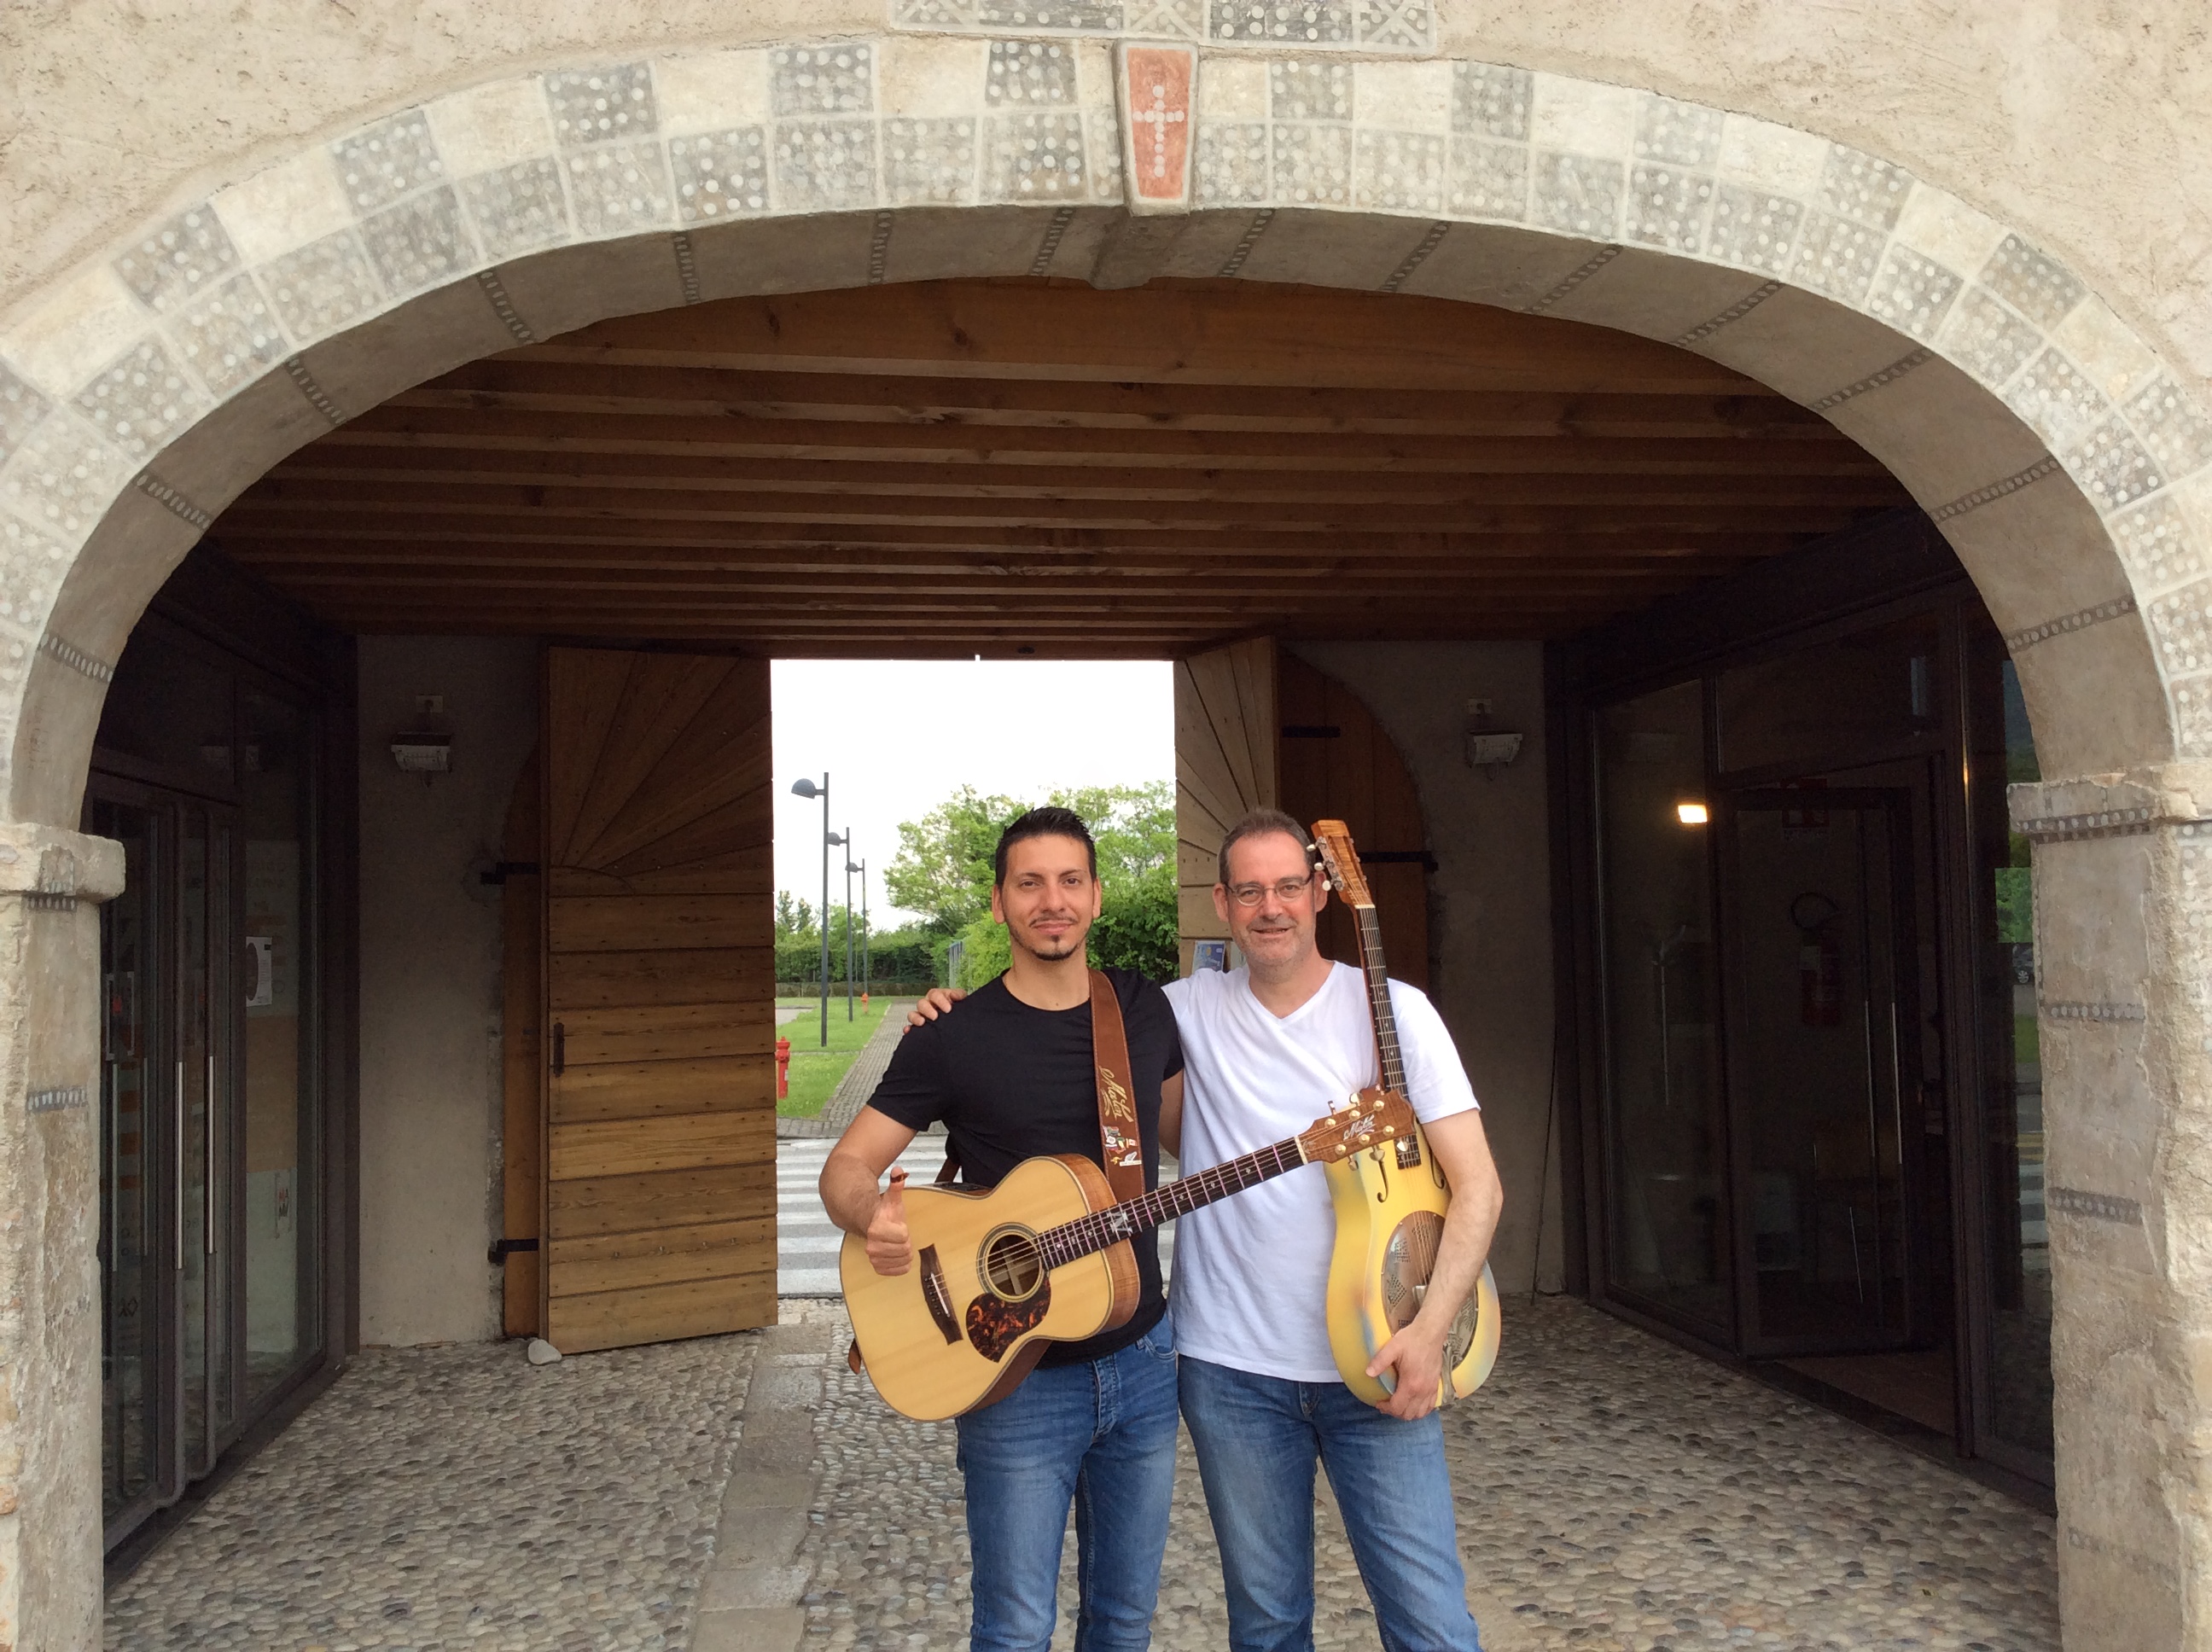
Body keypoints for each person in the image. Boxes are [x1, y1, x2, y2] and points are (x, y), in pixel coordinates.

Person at [912, 806, 1504, 1652]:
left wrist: (1432, 1331)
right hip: (1232, 1373)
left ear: (1320, 893)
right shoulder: (1174, 1012)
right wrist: (951, 1013)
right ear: (1222, 904)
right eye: (1251, 890)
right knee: (1265, 1627)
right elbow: (1047, 1007)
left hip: (1382, 1355)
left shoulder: (1396, 1013)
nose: (1273, 907)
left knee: (1432, 1623)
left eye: (1290, 886)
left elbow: (1479, 1187)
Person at [819, 806, 1186, 1652]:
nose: (1050, 900)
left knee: (1124, 1626)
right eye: (1030, 883)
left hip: (1142, 1362)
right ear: (999, 902)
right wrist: (871, 1216)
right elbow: (846, 1168)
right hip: (1012, 1375)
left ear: (1095, 896)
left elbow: (1188, 1134)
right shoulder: (951, 1036)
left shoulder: (1139, 1007)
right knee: (1016, 1631)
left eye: (1068, 881)